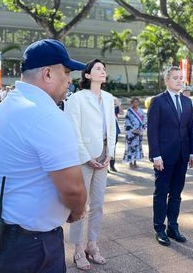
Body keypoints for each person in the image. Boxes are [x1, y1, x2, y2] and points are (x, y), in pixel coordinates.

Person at [0, 39, 87, 273]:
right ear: (48, 73)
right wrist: (77, 211)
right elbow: (73, 189)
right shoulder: (46, 115)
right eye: (66, 72)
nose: (69, 80)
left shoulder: (11, 103)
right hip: (26, 246)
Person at [64, 59, 116, 270]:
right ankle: (78, 249)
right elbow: (72, 131)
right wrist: (85, 156)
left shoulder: (110, 98)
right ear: (87, 75)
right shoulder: (76, 99)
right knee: (80, 206)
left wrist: (110, 154)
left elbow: (111, 128)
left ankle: (92, 245)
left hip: (104, 157)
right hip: (83, 158)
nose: (103, 71)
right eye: (98, 69)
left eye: (104, 68)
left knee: (98, 204)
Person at [147, 67, 193, 246]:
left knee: (176, 194)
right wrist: (156, 156)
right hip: (164, 157)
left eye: (181, 78)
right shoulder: (158, 101)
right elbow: (152, 131)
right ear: (166, 80)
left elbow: (191, 129)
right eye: (175, 78)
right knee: (161, 193)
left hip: (182, 156)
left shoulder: (187, 102)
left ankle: (173, 227)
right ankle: (159, 228)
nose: (179, 81)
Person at [123, 97, 145, 168]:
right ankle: (130, 163)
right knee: (131, 147)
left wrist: (141, 129)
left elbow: (144, 120)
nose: (136, 103)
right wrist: (133, 130)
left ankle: (135, 162)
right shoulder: (129, 111)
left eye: (137, 102)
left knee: (137, 147)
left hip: (139, 132)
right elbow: (127, 122)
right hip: (131, 133)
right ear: (131, 103)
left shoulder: (141, 111)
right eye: (134, 102)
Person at [109, 97, 122, 173]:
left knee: (112, 148)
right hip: (105, 131)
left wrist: (118, 104)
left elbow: (121, 113)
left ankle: (112, 165)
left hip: (115, 129)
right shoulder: (104, 107)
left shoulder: (115, 108)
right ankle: (106, 166)